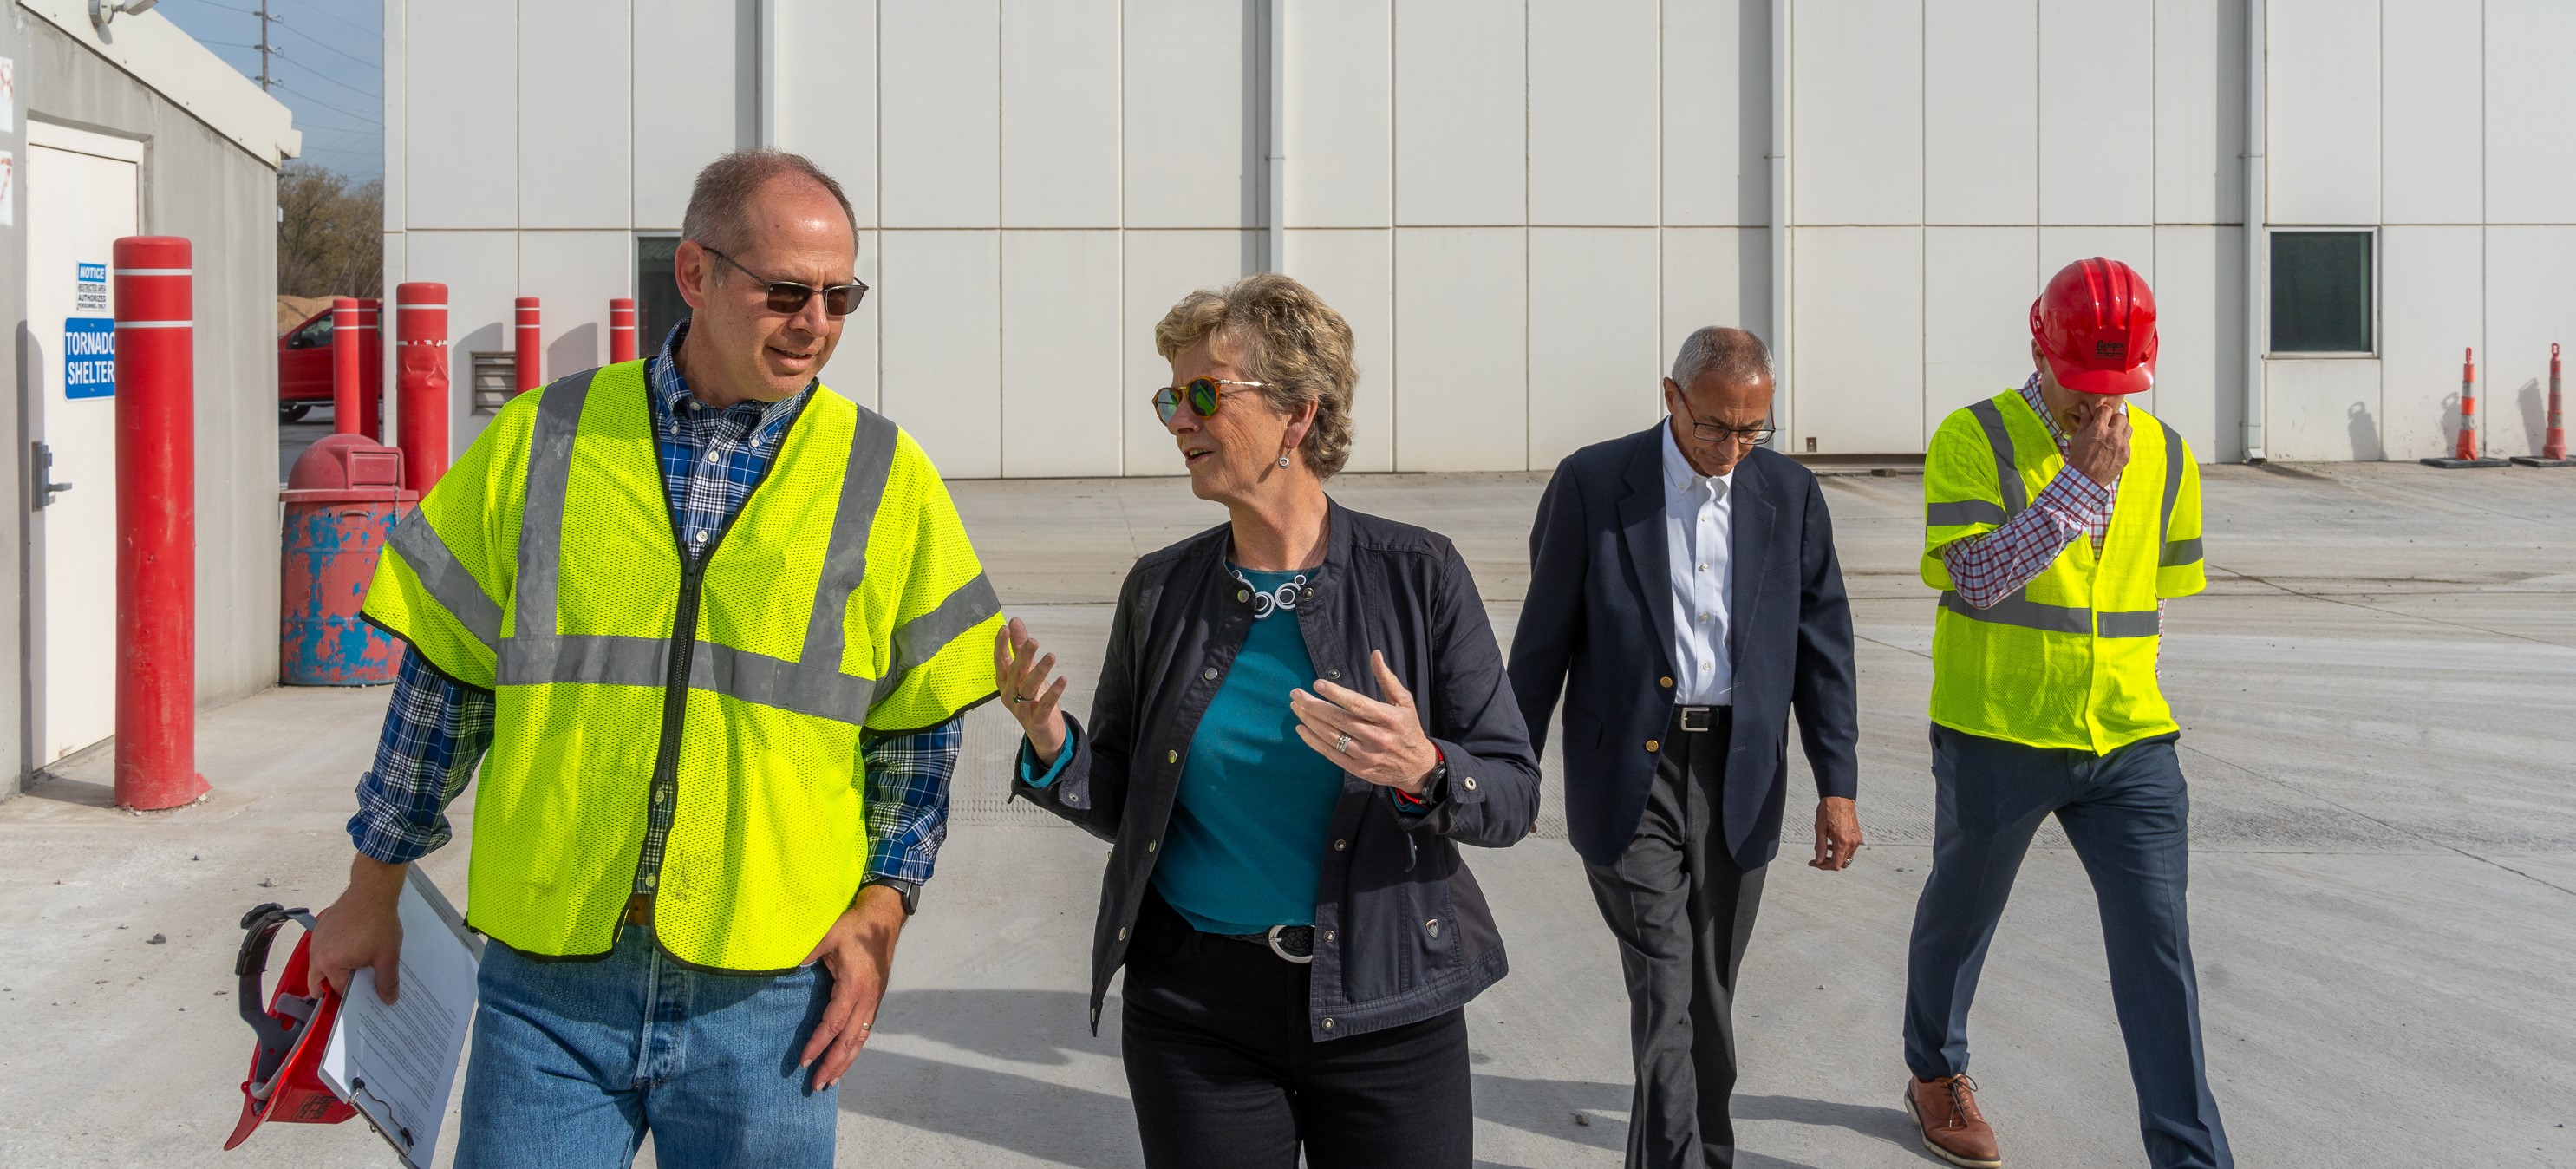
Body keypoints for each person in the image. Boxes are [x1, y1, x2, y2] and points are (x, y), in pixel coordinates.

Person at [307, 149, 1002, 1168]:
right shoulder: (541, 438)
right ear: (695, 274)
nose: (815, 322)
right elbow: (443, 691)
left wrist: (883, 906)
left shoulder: (886, 477)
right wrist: (373, 885)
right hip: (548, 983)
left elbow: (918, 735)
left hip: (768, 989)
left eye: (838, 294)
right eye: (783, 292)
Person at [995, 273, 1540, 1168]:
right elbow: (1129, 800)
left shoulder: (1420, 574)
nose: (1178, 419)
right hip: (1196, 1017)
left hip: (1388, 1004)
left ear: (1297, 414)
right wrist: (1053, 744)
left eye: (1205, 393)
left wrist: (1424, 766)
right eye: (1171, 396)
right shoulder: (1160, 589)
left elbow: (1511, 795)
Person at [1507, 326, 1862, 1168]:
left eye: (1751, 430)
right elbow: (1540, 642)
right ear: (1670, 398)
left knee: (1707, 997)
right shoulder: (1595, 484)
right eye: (1714, 427)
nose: (1731, 448)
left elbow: (1825, 647)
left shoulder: (1788, 493)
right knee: (1668, 985)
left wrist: (1836, 785)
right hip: (1631, 773)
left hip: (1741, 773)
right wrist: (1509, 769)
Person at [1901, 257, 2224, 1169]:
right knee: (1960, 919)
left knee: (2160, 956)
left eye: (2114, 387)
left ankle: (2192, 1157)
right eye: (2080, 384)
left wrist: (2137, 697)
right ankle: (1935, 1068)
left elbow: (2154, 603)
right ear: (2038, 347)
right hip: (1998, 728)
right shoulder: (1974, 438)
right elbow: (1972, 577)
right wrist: (2074, 491)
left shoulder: (2166, 454)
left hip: (2128, 741)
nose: (2096, 405)